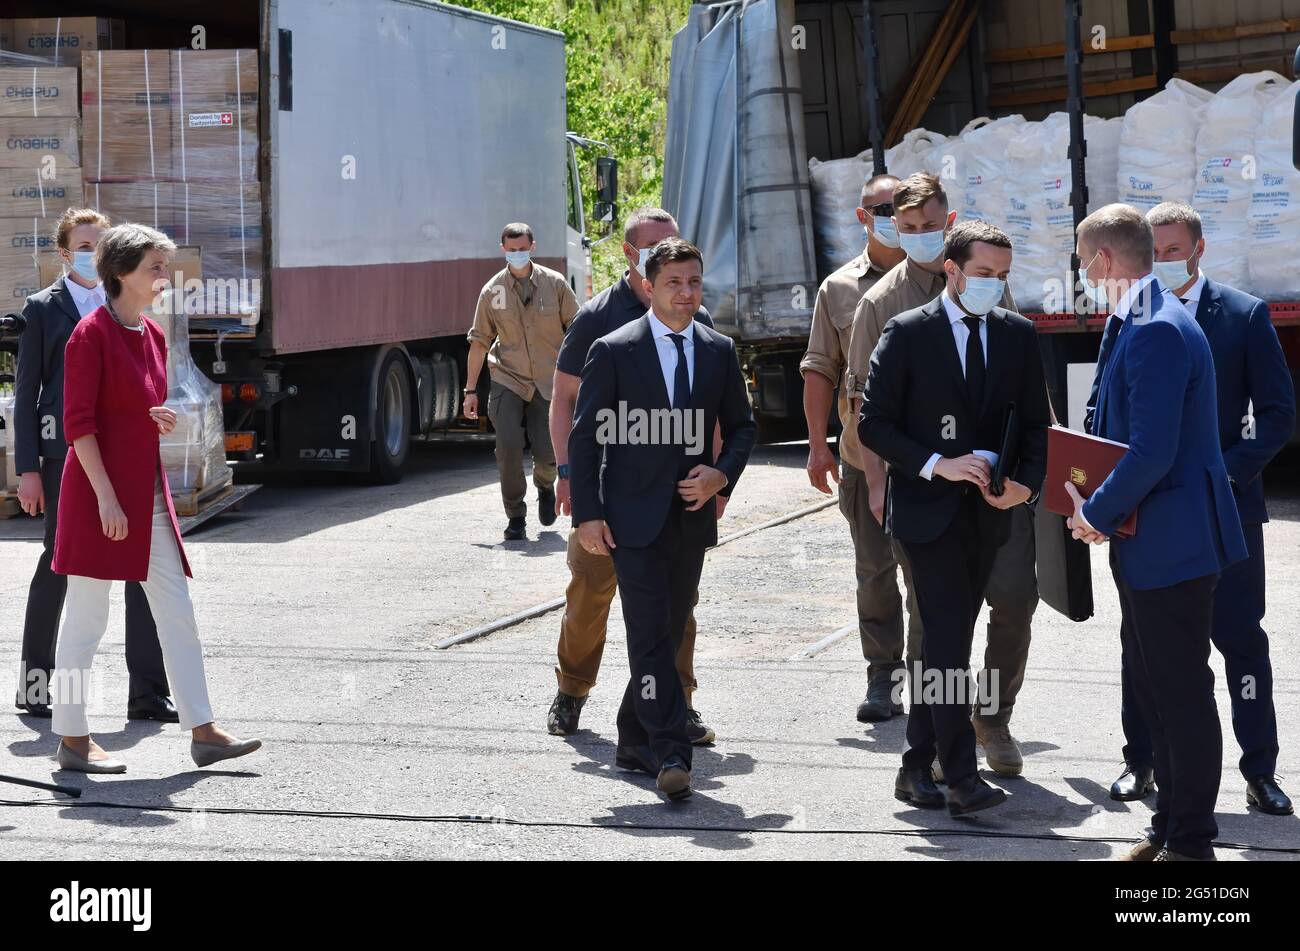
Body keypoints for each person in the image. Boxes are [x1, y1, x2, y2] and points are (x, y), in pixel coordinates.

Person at [1092, 202, 1294, 815]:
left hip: (1222, 508)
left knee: (1238, 641)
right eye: (1158, 249)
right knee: (1147, 648)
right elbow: (1110, 412)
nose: (1166, 260)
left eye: (1175, 249)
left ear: (1198, 249)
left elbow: (1278, 415)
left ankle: (1259, 768)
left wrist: (1222, 475)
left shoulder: (1239, 314)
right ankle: (1143, 760)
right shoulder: (1128, 320)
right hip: (1151, 517)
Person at [1068, 203, 1247, 861]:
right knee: (1155, 685)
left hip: (1172, 541)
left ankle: (1192, 843)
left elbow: (1151, 451)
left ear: (1105, 261)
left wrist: (1095, 513)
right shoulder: (1137, 320)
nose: (1081, 273)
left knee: (1180, 692)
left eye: (1083, 262)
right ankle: (1169, 822)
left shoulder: (1155, 329)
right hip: (1151, 539)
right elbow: (1115, 428)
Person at [50, 223, 262, 773]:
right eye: (156, 267)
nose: (165, 275)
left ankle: (203, 729)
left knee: (178, 611)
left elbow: (126, 406)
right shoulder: (88, 335)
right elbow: (79, 427)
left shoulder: (150, 332)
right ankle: (72, 738)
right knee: (86, 621)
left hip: (147, 492)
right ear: (122, 273)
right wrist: (106, 500)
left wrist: (153, 417)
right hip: (100, 497)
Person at [847, 173, 1038, 777]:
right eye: (985, 275)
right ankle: (943, 765)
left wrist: (1029, 485)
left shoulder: (1012, 328)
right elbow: (867, 418)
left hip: (997, 507)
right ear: (955, 271)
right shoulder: (892, 317)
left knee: (1010, 604)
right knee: (940, 635)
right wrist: (921, 471)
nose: (995, 286)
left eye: (1002, 277)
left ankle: (984, 721)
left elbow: (1036, 418)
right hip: (927, 508)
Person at [568, 238, 757, 800]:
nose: (686, 292)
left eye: (694, 282)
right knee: (650, 635)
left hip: (691, 518)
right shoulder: (614, 349)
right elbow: (586, 440)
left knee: (670, 629)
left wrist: (721, 475)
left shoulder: (719, 350)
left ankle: (632, 737)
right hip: (630, 520)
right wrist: (588, 516)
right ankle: (670, 750)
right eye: (674, 282)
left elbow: (743, 427)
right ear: (650, 286)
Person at [546, 208, 721, 743]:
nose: (667, 252)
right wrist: (569, 476)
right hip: (607, 488)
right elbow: (565, 401)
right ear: (630, 255)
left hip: (674, 493)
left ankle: (676, 703)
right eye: (654, 247)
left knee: (676, 606)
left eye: (674, 243)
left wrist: (717, 479)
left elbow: (714, 412)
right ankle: (572, 689)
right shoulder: (598, 318)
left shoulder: (697, 318)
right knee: (591, 594)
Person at [12, 208, 175, 722]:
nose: (93, 250)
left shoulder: (127, 306)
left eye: (100, 243)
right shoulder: (43, 309)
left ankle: (149, 692)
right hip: (66, 454)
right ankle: (37, 687)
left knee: (141, 566)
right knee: (59, 566)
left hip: (123, 452)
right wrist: (29, 468)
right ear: (65, 253)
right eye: (83, 244)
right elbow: (26, 393)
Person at [799, 173, 914, 725]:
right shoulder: (839, 288)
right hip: (860, 452)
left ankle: (936, 675)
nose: (891, 215)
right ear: (862, 216)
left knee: (935, 575)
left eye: (900, 206)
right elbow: (821, 368)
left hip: (931, 456)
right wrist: (819, 446)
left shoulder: (945, 276)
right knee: (874, 569)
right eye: (881, 208)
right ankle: (882, 673)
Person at [464, 222, 580, 541]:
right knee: (509, 449)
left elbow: (578, 329)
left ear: (533, 247)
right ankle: (515, 516)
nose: (517, 255)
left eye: (522, 249)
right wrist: (470, 390)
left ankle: (545, 486)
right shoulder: (492, 292)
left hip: (548, 378)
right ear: (503, 250)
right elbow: (479, 342)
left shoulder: (554, 285)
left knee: (548, 454)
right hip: (508, 377)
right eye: (511, 250)